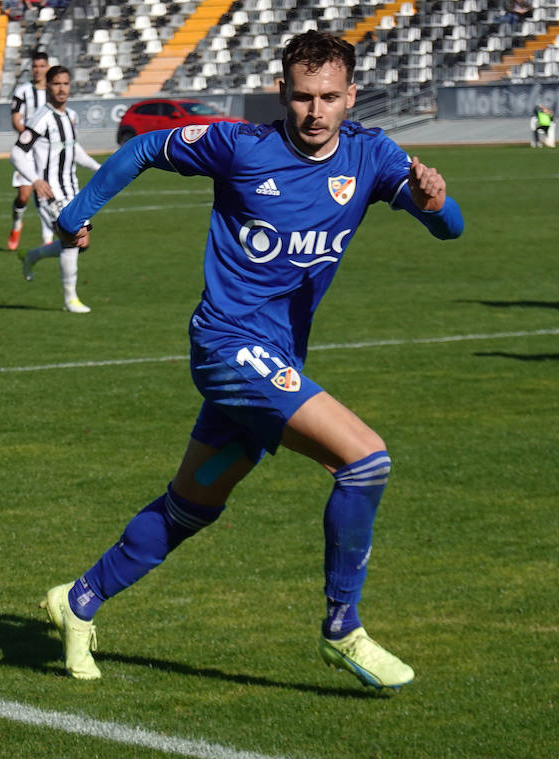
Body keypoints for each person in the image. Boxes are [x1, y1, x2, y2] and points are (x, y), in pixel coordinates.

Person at [39, 30, 464, 688]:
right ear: (281, 93)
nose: (315, 111)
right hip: (228, 346)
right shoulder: (242, 147)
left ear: (351, 96)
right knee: (364, 458)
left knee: (191, 507)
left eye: (329, 97)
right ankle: (342, 627)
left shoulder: (372, 155)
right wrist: (79, 209)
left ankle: (78, 601)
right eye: (301, 97)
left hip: (273, 358)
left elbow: (451, 226)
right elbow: (150, 146)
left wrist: (435, 204)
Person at [13, 65, 99, 314]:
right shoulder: (42, 118)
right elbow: (17, 152)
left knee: (82, 243)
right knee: (72, 241)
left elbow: (73, 148)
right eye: (56, 84)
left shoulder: (70, 115)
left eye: (66, 84)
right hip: (51, 193)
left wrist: (99, 167)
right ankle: (70, 299)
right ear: (48, 87)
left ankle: (32, 256)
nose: (62, 89)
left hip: (73, 190)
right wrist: (35, 180)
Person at [7, 50, 50, 250]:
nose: (38, 70)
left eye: (42, 66)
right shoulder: (23, 91)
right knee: (24, 195)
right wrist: (30, 137)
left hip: (48, 152)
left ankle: (47, 238)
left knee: (45, 194)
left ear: (47, 67)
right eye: (35, 67)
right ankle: (17, 224)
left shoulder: (53, 91)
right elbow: (16, 119)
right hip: (27, 149)